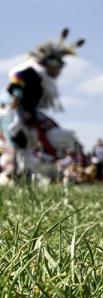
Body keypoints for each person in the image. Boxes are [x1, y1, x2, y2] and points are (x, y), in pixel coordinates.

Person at [3, 28, 85, 185]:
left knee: (58, 139)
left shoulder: (42, 79)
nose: (60, 70)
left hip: (30, 114)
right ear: (49, 62)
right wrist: (17, 100)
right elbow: (16, 81)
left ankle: (48, 171)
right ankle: (17, 176)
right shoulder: (31, 73)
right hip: (18, 115)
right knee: (22, 146)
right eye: (58, 65)